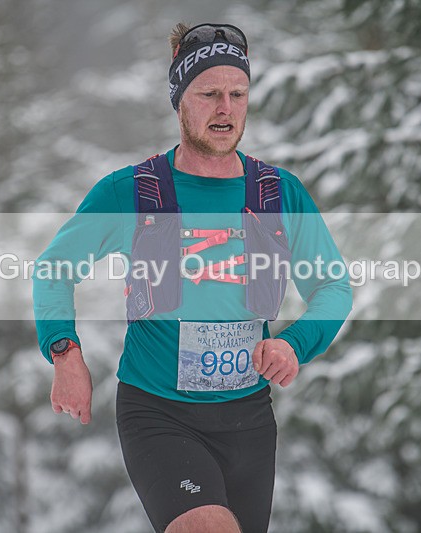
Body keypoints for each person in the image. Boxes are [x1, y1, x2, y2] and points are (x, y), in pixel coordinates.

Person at [32, 22, 352, 533]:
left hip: (249, 417)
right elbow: (53, 269)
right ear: (180, 101)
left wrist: (295, 343)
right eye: (209, 94)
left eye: (237, 94)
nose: (225, 108)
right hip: (159, 414)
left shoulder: (279, 193)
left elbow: (333, 287)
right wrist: (65, 352)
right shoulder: (130, 193)